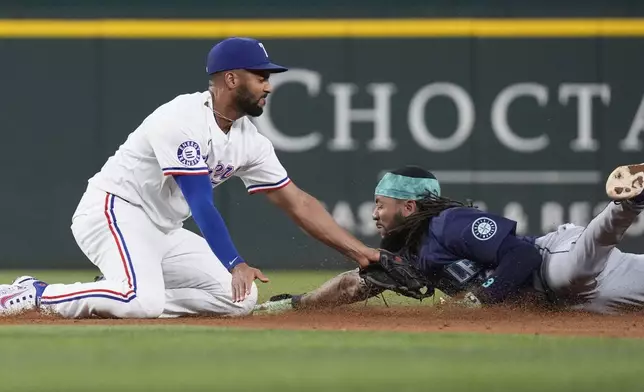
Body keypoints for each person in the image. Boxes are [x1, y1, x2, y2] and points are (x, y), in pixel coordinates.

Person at [0, 37, 380, 319]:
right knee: (140, 302)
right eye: (261, 76)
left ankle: (117, 292)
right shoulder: (181, 119)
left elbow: (299, 202)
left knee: (239, 301)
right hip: (114, 212)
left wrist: (362, 254)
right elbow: (200, 202)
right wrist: (235, 261)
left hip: (162, 229)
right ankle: (37, 293)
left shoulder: (249, 140)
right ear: (231, 79)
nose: (268, 85)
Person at [255, 163, 644, 315]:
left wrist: (482, 297)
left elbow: (522, 255)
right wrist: (295, 305)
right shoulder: (407, 251)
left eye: (381, 204)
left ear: (408, 208)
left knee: (570, 274)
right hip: (578, 305)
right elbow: (353, 284)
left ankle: (629, 202)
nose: (374, 213)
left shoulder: (450, 223)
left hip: (552, 261)